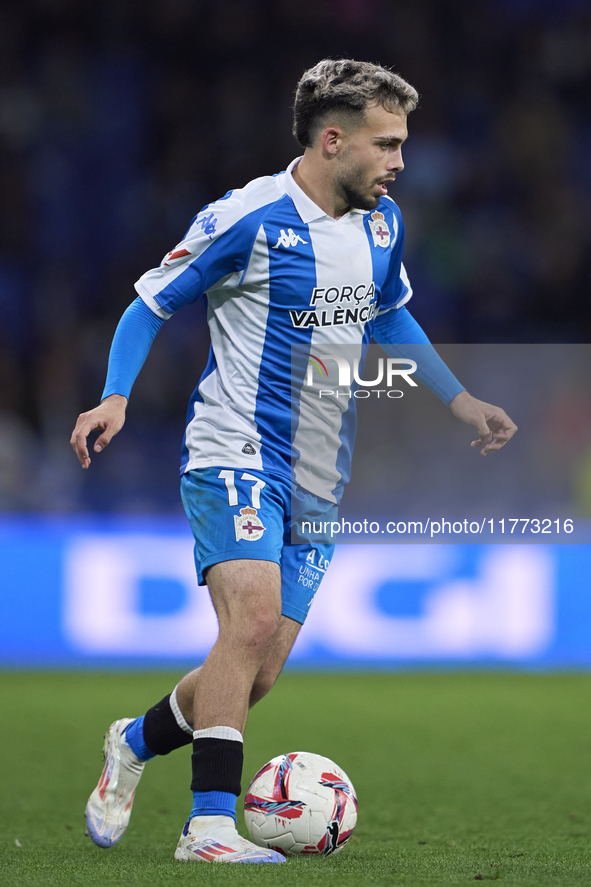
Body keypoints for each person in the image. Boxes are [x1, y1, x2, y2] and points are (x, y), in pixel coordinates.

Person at [70, 58, 517, 865]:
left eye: (403, 144)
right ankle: (207, 828)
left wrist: (459, 400)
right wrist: (115, 396)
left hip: (318, 470)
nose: (400, 161)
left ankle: (133, 741)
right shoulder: (246, 217)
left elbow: (391, 321)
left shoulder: (383, 226)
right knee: (243, 627)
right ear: (332, 138)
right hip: (232, 446)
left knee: (256, 668)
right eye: (386, 144)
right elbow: (150, 303)